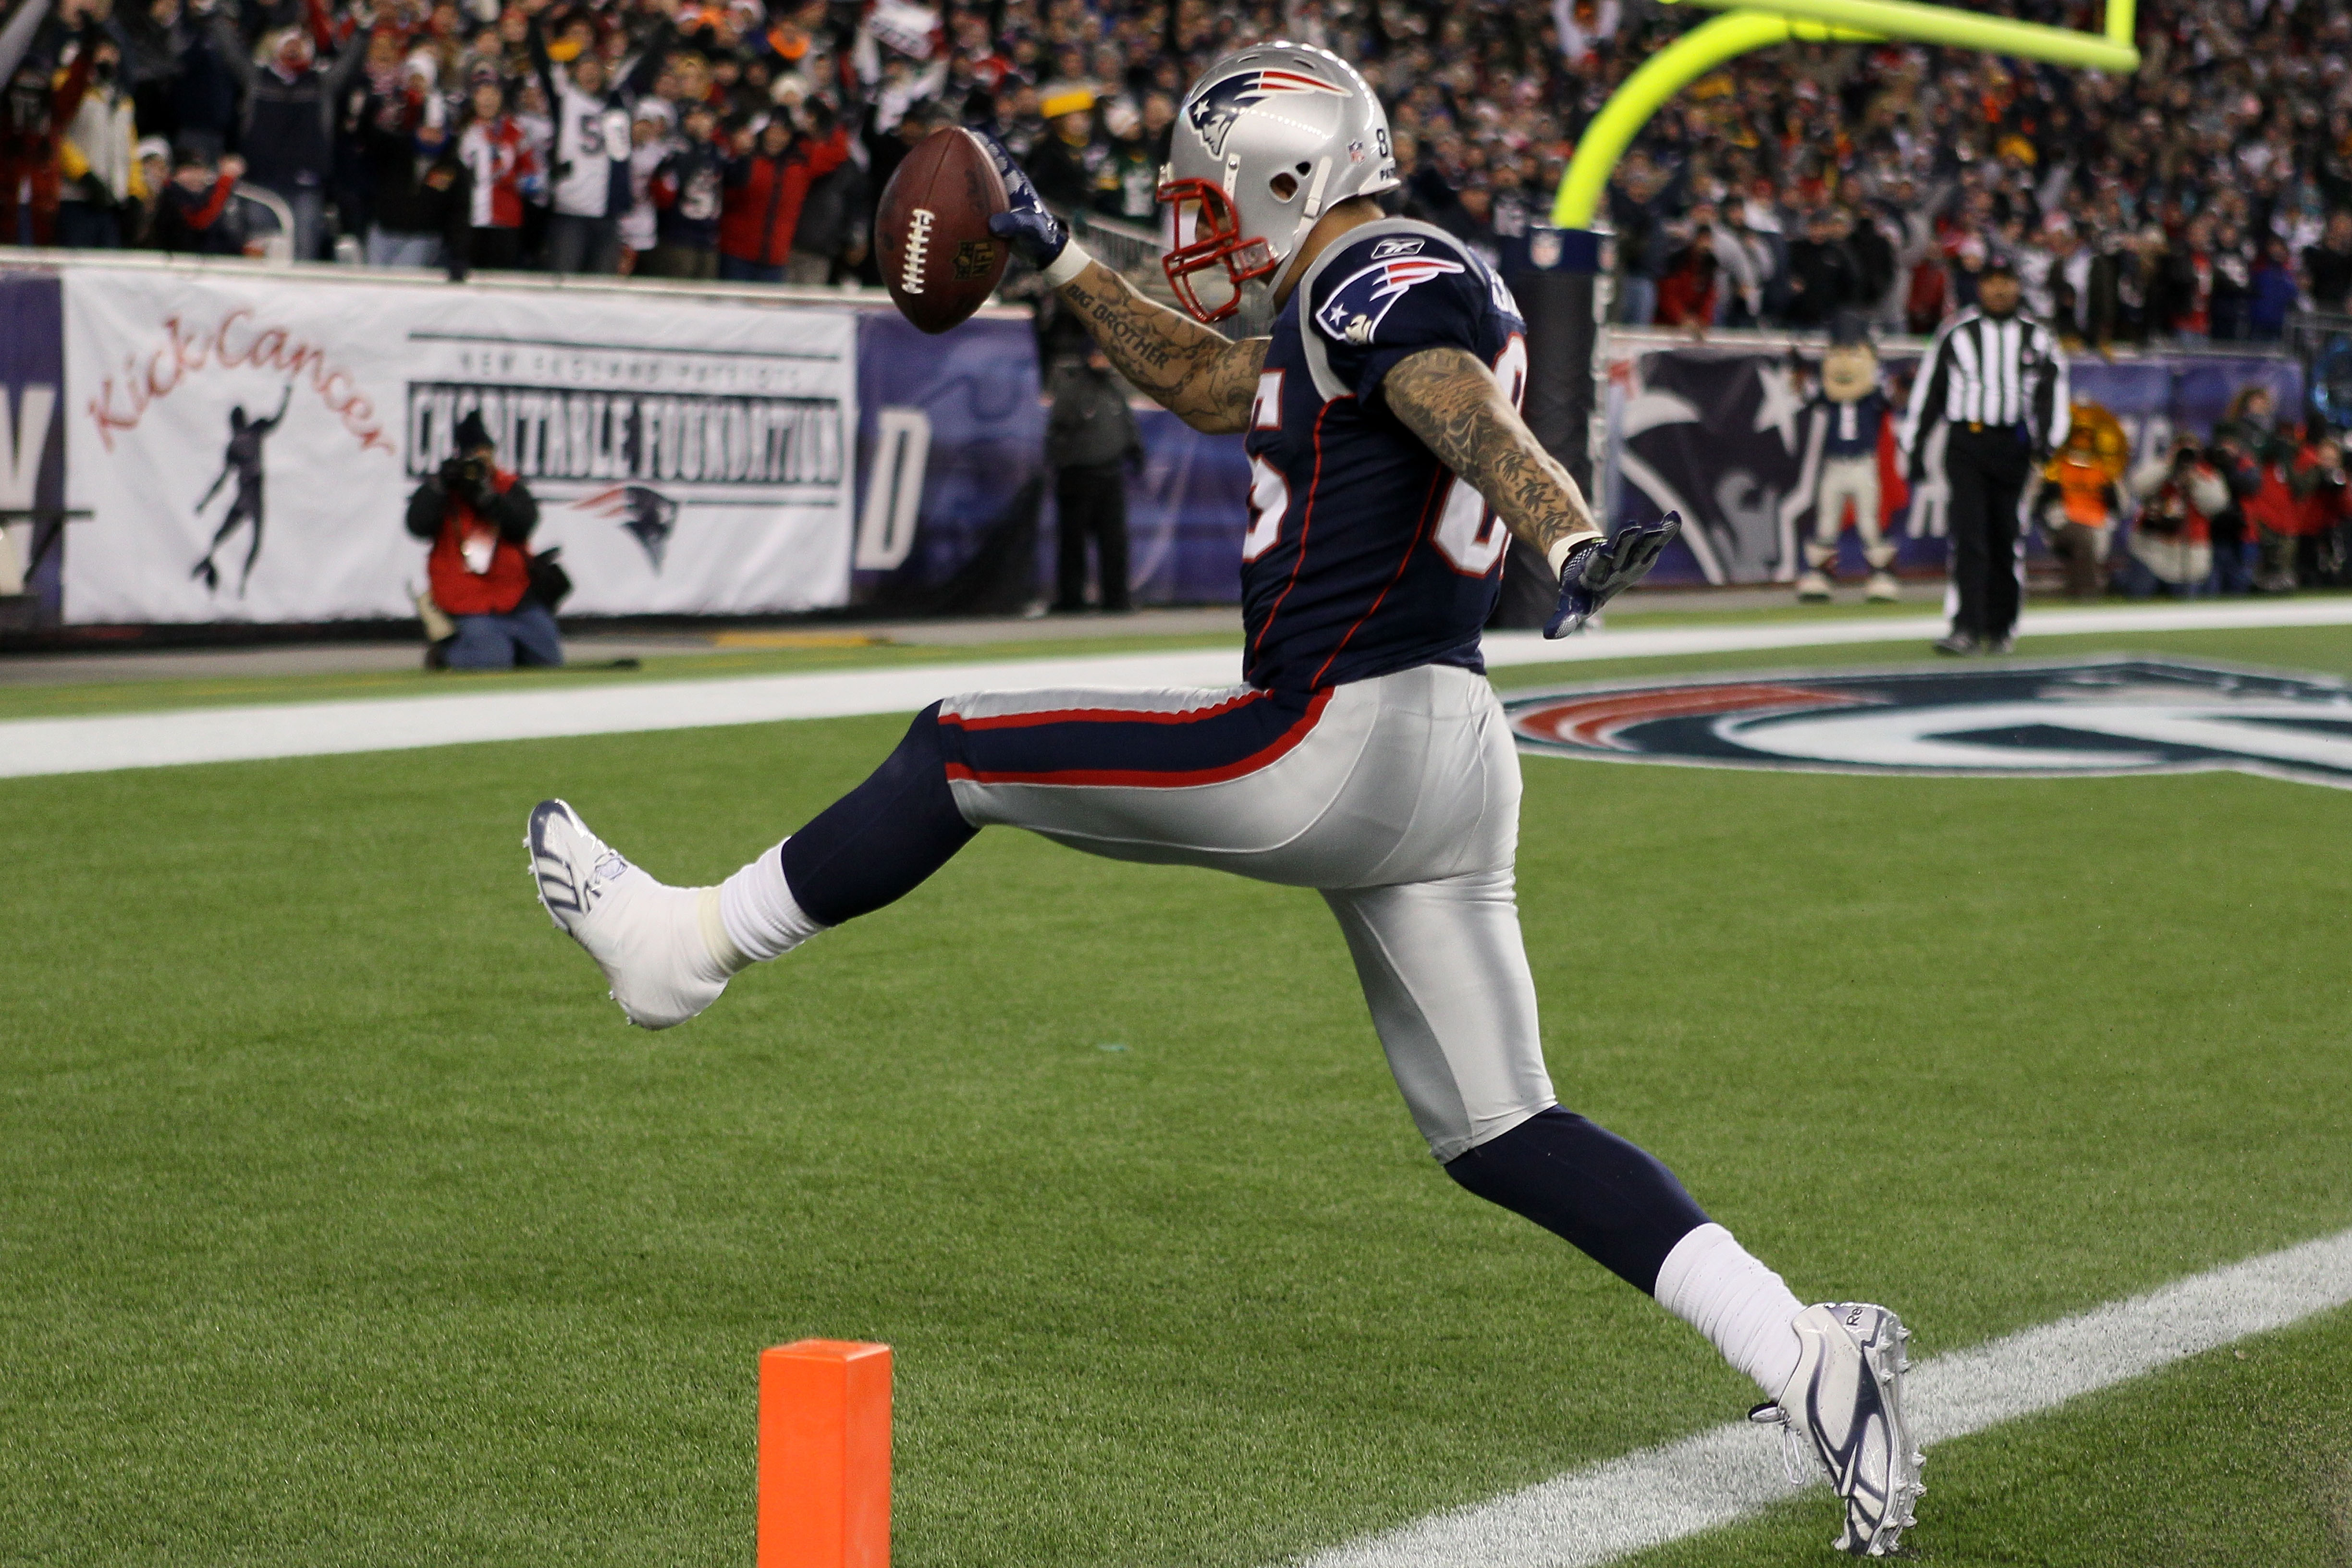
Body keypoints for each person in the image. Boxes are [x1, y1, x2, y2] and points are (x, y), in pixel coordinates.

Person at [525, 41, 1921, 1561]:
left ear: (1290, 173)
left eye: (1211, 194)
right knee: (1503, 1125)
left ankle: (689, 948)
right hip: (1454, 749)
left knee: (955, 748)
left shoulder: (1378, 272)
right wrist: (1058, 257)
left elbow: (1458, 405)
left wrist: (1564, 531)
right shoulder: (1358, 283)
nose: (1196, 223)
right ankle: (1805, 1353)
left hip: (1328, 737)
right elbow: (1212, 380)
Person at [1898, 257, 2070, 656]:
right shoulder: (1956, 332)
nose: (1999, 290)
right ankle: (1966, 627)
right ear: (1979, 287)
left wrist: (2047, 445)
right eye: (1991, 282)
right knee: (1970, 536)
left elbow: (2053, 394)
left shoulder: (2038, 337)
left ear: (2018, 286)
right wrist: (1916, 445)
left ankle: (2002, 624)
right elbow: (1929, 390)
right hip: (1967, 443)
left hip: (2013, 445)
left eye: (2006, 282)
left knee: (2006, 537)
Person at [406, 410, 560, 670]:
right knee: (490, 662)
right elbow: (417, 526)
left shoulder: (509, 487)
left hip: (515, 598)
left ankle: (511, 651)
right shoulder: (445, 491)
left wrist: (487, 497)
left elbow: (522, 525)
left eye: (484, 452)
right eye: (473, 454)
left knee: (549, 659)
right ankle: (445, 655)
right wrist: (441, 487)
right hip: (467, 601)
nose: (480, 460)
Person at [1045, 343, 1140, 612]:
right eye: (1098, 356)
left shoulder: (1114, 391)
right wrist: (1064, 463)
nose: (1103, 362)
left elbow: (1128, 425)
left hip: (1111, 477)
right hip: (1079, 477)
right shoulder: (1073, 390)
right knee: (1073, 543)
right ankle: (1071, 600)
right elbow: (1057, 430)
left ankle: (1116, 598)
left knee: (1114, 542)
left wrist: (1135, 451)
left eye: (1106, 357)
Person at [190, 384, 291, 593]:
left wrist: (205, 503)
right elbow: (277, 420)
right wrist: (286, 396)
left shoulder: (240, 441)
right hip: (252, 494)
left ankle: (235, 578)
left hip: (249, 493)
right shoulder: (247, 437)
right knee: (251, 541)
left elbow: (221, 481)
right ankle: (239, 581)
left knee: (232, 536)